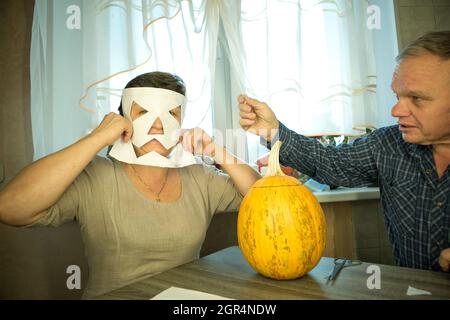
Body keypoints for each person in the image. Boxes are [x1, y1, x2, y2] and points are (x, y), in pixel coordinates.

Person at [0, 71, 261, 298]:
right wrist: (97, 139)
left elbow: (264, 199)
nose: (158, 124)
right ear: (124, 118)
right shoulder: (95, 177)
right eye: (144, 112)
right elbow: (10, 207)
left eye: (171, 113)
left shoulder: (200, 178)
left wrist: (216, 150)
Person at [238, 31, 450, 272]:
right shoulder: (388, 145)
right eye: (397, 96)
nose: (396, 111)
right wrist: (272, 131)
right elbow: (330, 162)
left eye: (417, 98)